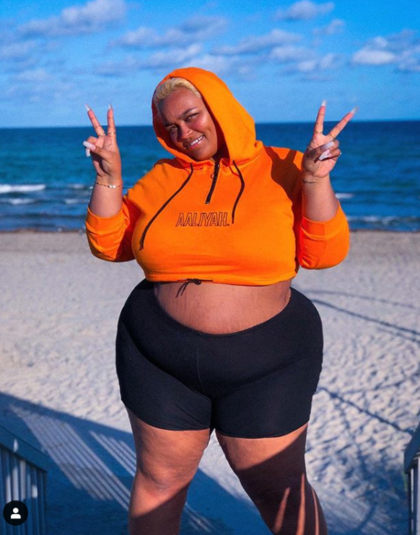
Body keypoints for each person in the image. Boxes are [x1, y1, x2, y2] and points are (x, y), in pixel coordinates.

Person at [83, 67, 354, 535]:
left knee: (280, 489)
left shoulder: (286, 166)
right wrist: (109, 179)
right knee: (160, 482)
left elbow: (323, 254)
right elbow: (110, 245)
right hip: (158, 356)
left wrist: (314, 180)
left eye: (191, 116)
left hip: (267, 360)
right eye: (170, 126)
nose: (183, 133)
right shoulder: (162, 177)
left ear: (220, 108)